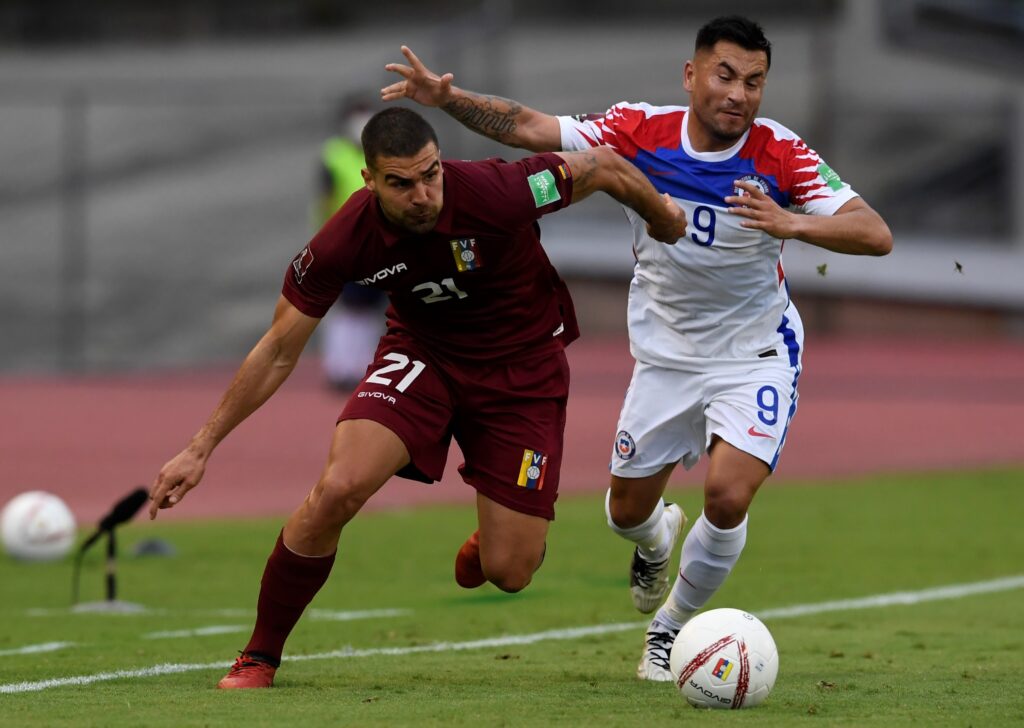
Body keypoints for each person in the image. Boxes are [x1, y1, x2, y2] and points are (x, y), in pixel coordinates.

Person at [382, 14, 893, 682]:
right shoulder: (639, 129)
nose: (738, 94)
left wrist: (791, 221)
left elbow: (875, 232)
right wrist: (447, 99)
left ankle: (670, 628)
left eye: (755, 81)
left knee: (729, 496)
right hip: (666, 357)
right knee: (625, 512)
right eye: (725, 74)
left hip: (754, 352)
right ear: (692, 75)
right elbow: (535, 129)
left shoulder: (781, 154)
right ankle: (655, 538)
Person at [148, 106, 687, 689]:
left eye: (430, 174)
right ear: (370, 182)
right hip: (424, 356)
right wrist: (200, 448)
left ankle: (496, 531)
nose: (422, 194)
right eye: (401, 183)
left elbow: (603, 165)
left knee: (510, 570)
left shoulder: (498, 190)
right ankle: (260, 655)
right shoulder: (345, 240)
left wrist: (663, 218)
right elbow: (280, 349)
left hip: (522, 371)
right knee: (337, 489)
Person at [315, 96, 389, 390]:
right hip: (345, 242)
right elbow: (324, 201)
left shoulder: (380, 153)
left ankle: (362, 367)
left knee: (371, 308)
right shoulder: (333, 155)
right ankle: (339, 367)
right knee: (349, 307)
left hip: (380, 242)